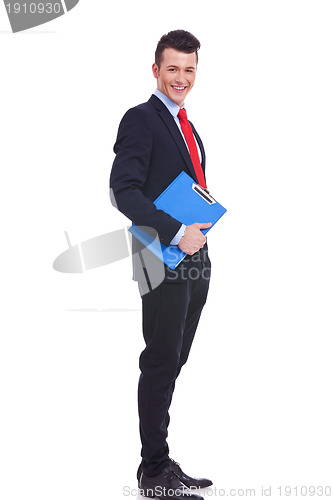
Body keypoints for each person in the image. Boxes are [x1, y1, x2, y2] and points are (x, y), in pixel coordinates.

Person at [110, 30, 213, 500]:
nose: (181, 78)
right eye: (172, 68)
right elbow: (124, 190)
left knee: (174, 360)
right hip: (160, 255)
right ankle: (152, 474)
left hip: (194, 257)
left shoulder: (186, 123)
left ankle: (159, 457)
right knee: (159, 362)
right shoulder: (142, 119)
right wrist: (175, 231)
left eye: (189, 69)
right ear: (156, 70)